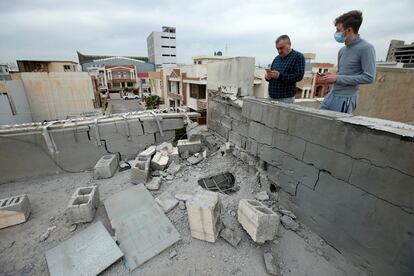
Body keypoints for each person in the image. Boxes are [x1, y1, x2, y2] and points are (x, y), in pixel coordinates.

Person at [320, 10, 376, 113]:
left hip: (345, 99)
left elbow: (369, 77)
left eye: (338, 30)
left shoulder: (366, 48)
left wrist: (337, 78)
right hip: (331, 95)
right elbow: (342, 74)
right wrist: (333, 76)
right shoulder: (342, 50)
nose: (336, 33)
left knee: (336, 129)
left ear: (349, 30)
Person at [265, 35, 305, 104]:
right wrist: (267, 77)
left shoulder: (298, 57)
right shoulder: (276, 58)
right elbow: (271, 75)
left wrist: (280, 76)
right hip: (271, 97)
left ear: (289, 45)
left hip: (285, 99)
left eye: (281, 48)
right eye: (277, 49)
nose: (279, 51)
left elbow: (299, 76)